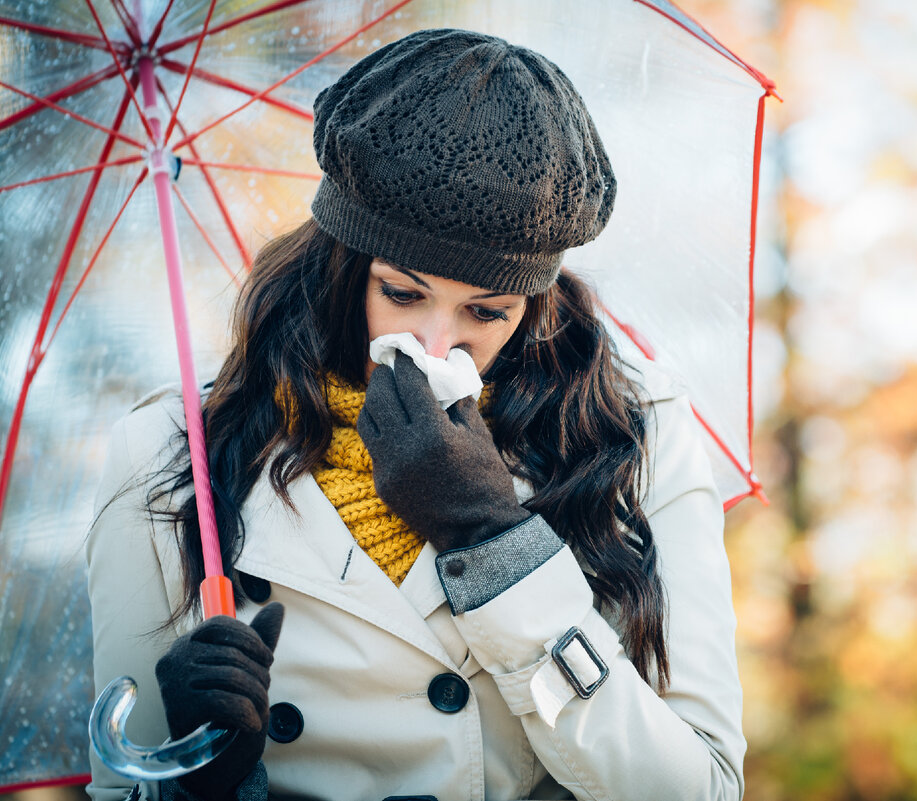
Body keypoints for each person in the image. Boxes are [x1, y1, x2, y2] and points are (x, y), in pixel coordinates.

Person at [86, 28, 744, 801]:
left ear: (532, 302)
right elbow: (119, 787)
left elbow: (700, 786)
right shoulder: (172, 452)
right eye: (401, 293)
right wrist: (200, 783)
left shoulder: (635, 435)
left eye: (486, 311)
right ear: (342, 263)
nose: (436, 344)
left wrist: (496, 545)